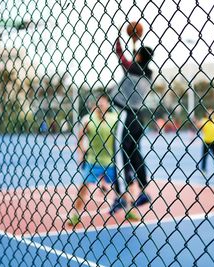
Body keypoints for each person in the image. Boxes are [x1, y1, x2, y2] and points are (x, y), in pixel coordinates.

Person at [68, 95, 139, 226]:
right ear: (95, 106)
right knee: (83, 188)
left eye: (103, 103)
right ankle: (75, 215)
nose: (101, 105)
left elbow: (125, 133)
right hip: (92, 161)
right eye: (99, 103)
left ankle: (129, 210)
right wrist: (80, 152)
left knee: (121, 188)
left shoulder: (114, 119)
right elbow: (79, 138)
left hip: (111, 162)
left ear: (107, 105)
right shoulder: (88, 120)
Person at [109, 26, 154, 214]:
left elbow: (121, 57)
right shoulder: (148, 72)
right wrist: (135, 44)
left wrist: (119, 38)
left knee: (118, 151)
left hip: (126, 114)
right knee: (135, 154)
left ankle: (120, 195)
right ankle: (143, 189)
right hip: (139, 117)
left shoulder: (133, 67)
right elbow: (136, 60)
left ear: (139, 58)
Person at [196, 110, 214, 175]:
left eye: (211, 113)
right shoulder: (204, 120)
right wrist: (198, 122)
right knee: (204, 156)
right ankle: (203, 170)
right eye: (208, 113)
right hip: (206, 141)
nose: (210, 114)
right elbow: (198, 126)